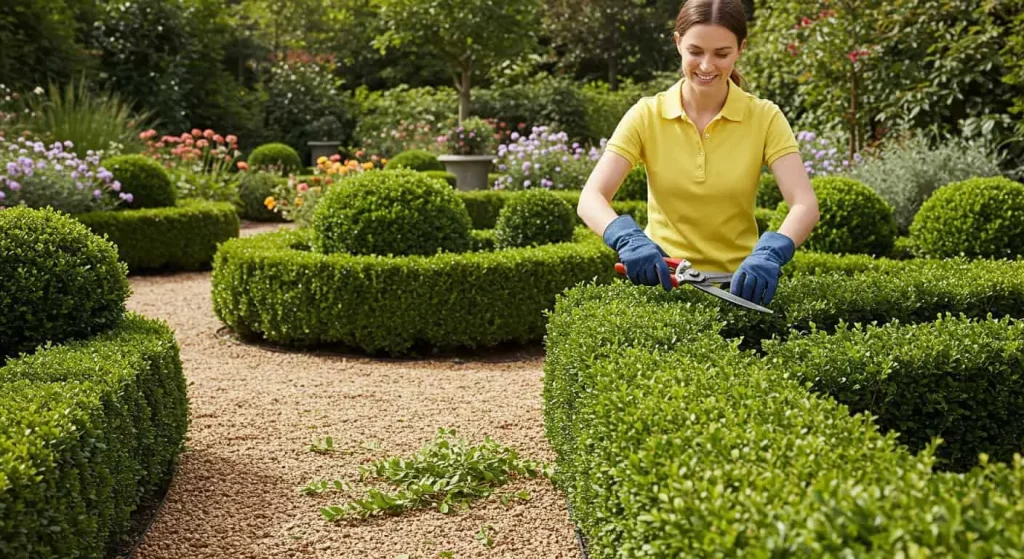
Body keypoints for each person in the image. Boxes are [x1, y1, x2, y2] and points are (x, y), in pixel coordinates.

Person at [578, 0, 819, 306]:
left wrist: (770, 253)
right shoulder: (647, 114)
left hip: (739, 287)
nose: (707, 66)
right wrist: (628, 239)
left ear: (740, 49)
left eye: (722, 54)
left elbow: (805, 203)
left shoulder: (765, 117)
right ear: (678, 43)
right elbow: (591, 198)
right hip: (663, 284)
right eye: (695, 51)